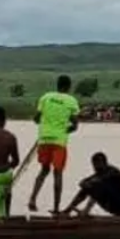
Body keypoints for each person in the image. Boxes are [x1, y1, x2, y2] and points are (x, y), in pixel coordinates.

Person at [28, 75, 80, 214]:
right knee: (58, 173)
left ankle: (32, 199)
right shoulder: (71, 101)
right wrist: (65, 130)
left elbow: (36, 118)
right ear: (69, 87)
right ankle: (56, 208)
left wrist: (45, 124)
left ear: (57, 85)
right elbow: (75, 125)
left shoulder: (45, 97)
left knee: (44, 170)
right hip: (59, 141)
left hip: (44, 138)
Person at [59, 152, 120, 217]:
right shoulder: (99, 174)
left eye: (97, 165)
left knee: (97, 185)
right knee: (89, 187)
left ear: (104, 163)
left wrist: (88, 183)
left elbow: (96, 182)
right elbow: (84, 182)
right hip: (114, 205)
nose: (95, 168)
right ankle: (67, 211)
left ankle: (86, 211)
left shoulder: (112, 171)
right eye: (94, 165)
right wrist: (86, 184)